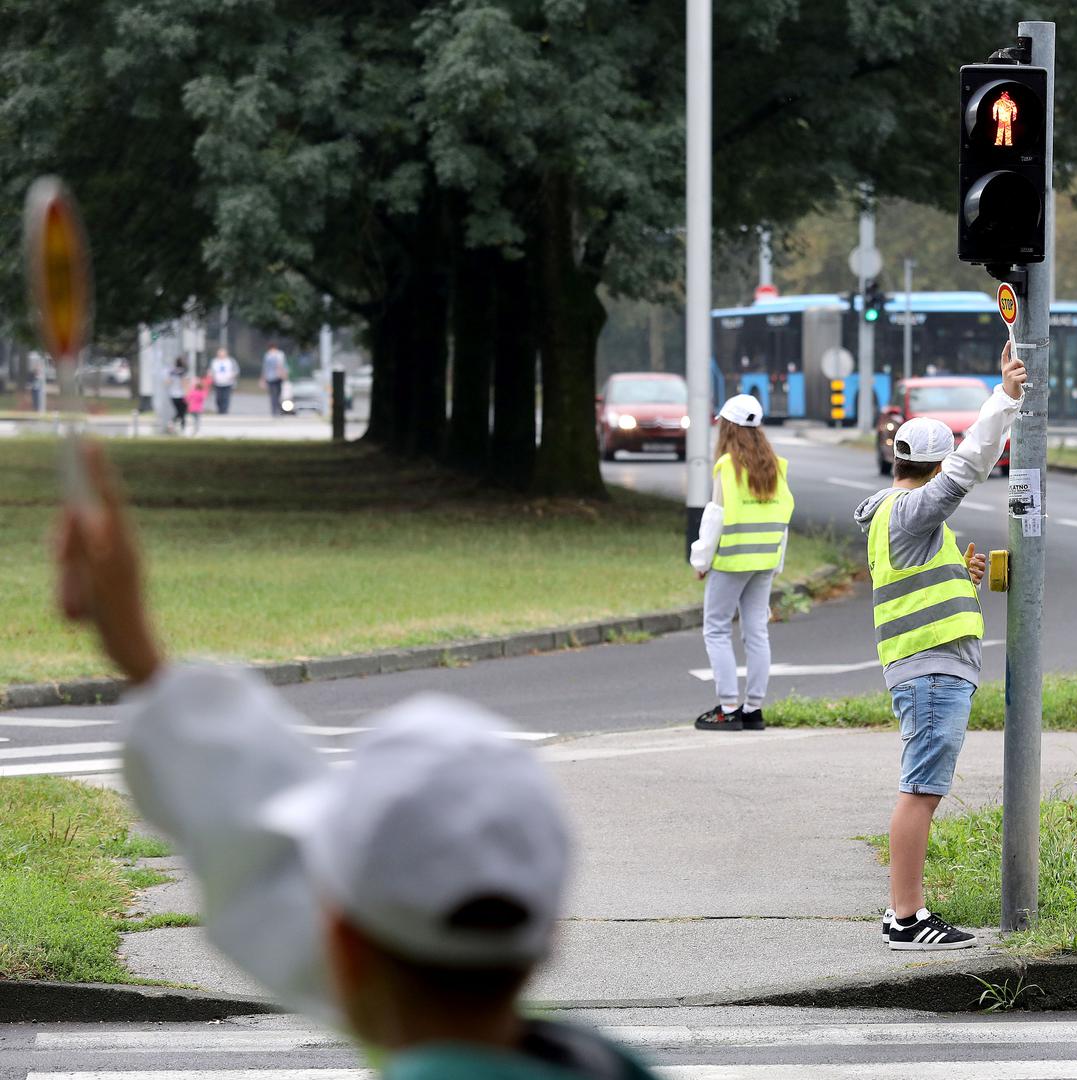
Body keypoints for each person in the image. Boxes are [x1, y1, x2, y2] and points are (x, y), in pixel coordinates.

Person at [54, 444, 658, 1080]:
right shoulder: (605, 1068)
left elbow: (285, 883)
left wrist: (142, 658)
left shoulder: (395, 1019)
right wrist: (145, 662)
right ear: (548, 934)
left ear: (342, 941)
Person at [853, 341, 1024, 951]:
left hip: (929, 668)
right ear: (932, 465)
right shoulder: (907, 512)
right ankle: (906, 918)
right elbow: (970, 466)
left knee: (922, 787)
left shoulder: (902, 519)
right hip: (930, 671)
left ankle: (907, 912)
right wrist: (1004, 398)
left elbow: (918, 586)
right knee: (921, 790)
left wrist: (964, 578)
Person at [688, 393, 794, 730]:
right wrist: (776, 563)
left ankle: (729, 706)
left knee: (717, 629)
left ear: (728, 427)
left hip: (731, 560)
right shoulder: (776, 466)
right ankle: (753, 709)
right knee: (756, 632)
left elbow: (714, 519)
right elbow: (782, 521)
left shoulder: (727, 467)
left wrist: (701, 560)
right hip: (765, 561)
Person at [209, 347, 240, 414]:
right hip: (217, 383)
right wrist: (211, 376)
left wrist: (232, 375)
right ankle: (220, 410)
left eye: (223, 354)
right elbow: (211, 371)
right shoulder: (214, 361)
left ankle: (224, 411)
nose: (221, 355)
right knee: (218, 398)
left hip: (228, 383)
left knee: (226, 398)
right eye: (220, 354)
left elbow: (236, 370)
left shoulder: (231, 361)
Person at [262, 341, 289, 417]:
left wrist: (284, 374)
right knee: (273, 394)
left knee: (277, 394)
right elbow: (265, 368)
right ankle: (275, 410)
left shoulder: (278, 354)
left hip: (278, 377)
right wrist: (263, 379)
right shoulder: (268, 355)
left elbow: (283, 365)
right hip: (272, 377)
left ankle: (277, 409)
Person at [164, 358, 189, 435]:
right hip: (181, 395)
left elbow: (167, 382)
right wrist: (187, 393)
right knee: (183, 413)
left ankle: (172, 423)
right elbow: (184, 383)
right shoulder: (183, 372)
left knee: (179, 411)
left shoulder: (172, 372)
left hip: (173, 395)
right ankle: (182, 428)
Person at [185, 371, 212, 436]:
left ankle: (193, 429)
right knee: (197, 420)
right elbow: (204, 398)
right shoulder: (202, 393)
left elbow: (187, 399)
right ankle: (196, 429)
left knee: (193, 419)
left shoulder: (192, 392)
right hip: (198, 409)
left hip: (191, 408)